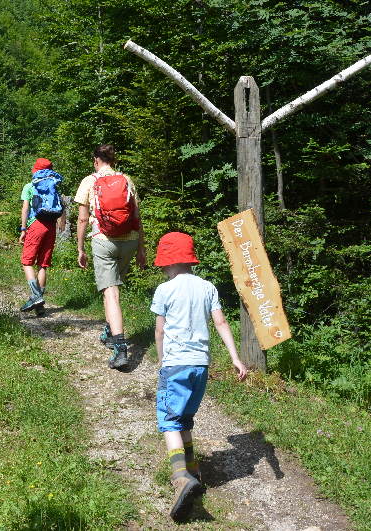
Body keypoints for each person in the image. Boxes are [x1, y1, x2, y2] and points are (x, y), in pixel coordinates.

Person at [150, 231, 248, 522]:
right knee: (186, 418)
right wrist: (234, 357)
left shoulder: (164, 290)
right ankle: (193, 469)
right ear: (190, 260)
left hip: (176, 364)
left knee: (169, 420)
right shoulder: (207, 287)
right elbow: (220, 321)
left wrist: (160, 360)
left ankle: (181, 477)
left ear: (167, 263)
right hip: (200, 366)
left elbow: (159, 330)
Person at [74, 144, 147, 369]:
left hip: (104, 241)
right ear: (112, 160)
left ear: (96, 160)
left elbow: (83, 220)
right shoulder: (127, 180)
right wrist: (142, 248)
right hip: (130, 241)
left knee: (110, 294)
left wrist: (80, 248)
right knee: (113, 290)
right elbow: (136, 215)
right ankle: (109, 331)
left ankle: (121, 349)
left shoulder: (89, 181)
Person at [19, 158, 65, 313]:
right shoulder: (54, 185)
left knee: (27, 261)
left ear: (35, 170)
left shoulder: (30, 186)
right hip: (51, 225)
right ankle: (40, 307)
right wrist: (61, 224)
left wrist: (23, 229)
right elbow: (61, 207)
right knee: (43, 264)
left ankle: (36, 296)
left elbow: (25, 209)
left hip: (35, 224)